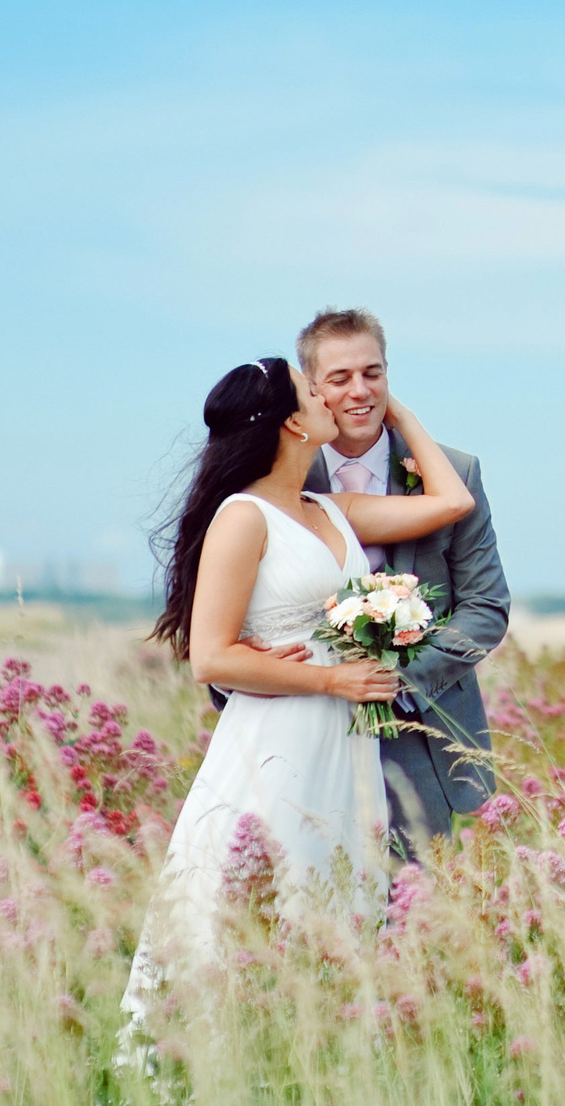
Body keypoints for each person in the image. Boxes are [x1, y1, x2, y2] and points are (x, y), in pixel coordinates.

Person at [125, 356, 474, 1000]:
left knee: (338, 896)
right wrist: (331, 682)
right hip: (278, 738)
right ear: (292, 422)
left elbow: (452, 501)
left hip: (345, 746)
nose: (331, 397)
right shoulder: (243, 517)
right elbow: (211, 656)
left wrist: (401, 414)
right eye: (314, 391)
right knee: (264, 893)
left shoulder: (329, 508)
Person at [293, 307, 511, 848]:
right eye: (339, 378)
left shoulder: (454, 473)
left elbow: (486, 607)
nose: (359, 390)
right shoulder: (281, 479)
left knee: (413, 910)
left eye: (373, 372)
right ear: (312, 389)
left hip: (422, 734)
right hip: (307, 724)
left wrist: (399, 683)